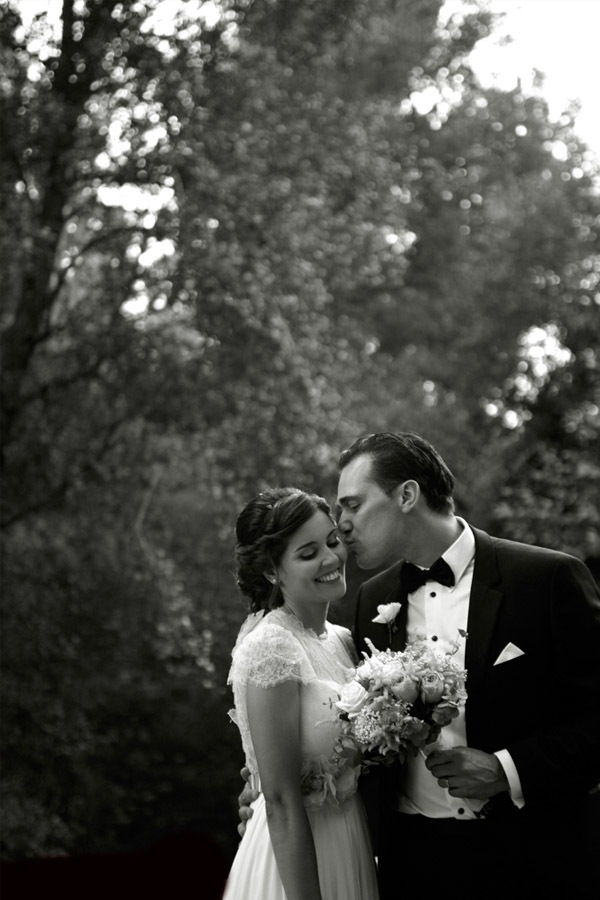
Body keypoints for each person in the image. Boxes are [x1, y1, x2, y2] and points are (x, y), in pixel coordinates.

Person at [240, 432, 600, 900]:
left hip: (535, 862)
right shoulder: (371, 602)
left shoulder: (546, 579)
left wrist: (506, 769)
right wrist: (267, 787)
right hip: (409, 868)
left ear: (407, 495)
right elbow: (329, 725)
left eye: (352, 505)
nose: (342, 526)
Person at [223, 487, 379, 900]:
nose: (331, 559)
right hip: (294, 855)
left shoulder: (344, 641)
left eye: (331, 541)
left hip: (351, 838)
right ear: (273, 572)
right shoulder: (270, 645)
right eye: (308, 554)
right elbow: (277, 799)